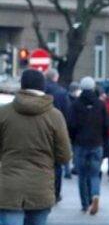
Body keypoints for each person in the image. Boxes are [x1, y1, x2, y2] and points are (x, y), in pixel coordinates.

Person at [0, 70, 72, 225]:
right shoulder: (54, 116)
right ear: (44, 87)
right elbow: (64, 155)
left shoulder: (4, 113)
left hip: (8, 186)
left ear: (21, 86)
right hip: (41, 186)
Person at [68, 76, 109, 215]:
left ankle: (85, 203)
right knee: (94, 174)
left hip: (80, 143)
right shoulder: (100, 105)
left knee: (82, 175)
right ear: (93, 88)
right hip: (97, 143)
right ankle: (95, 194)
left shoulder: (75, 104)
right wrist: (104, 140)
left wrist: (73, 139)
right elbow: (107, 124)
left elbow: (71, 125)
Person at [43, 69, 71, 199]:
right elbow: (67, 113)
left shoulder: (41, 91)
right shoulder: (62, 92)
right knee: (57, 164)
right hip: (57, 129)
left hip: (41, 129)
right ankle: (56, 192)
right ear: (56, 77)